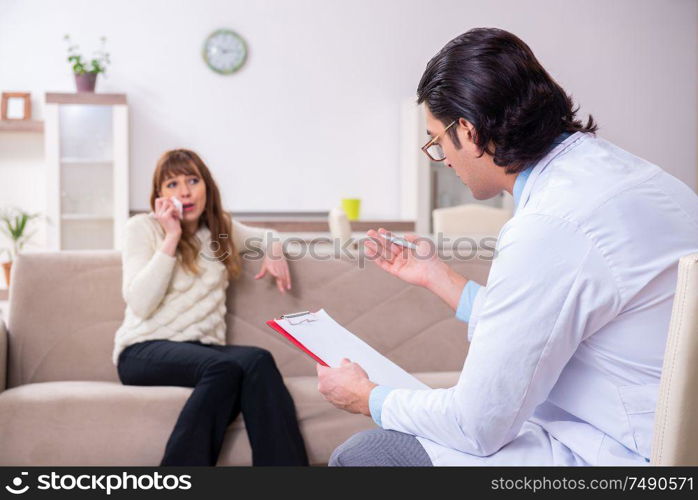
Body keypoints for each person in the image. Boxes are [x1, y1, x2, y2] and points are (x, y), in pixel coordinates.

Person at [316, 27, 698, 466]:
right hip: (652, 435)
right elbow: (544, 323)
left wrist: (369, 398)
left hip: (623, 454)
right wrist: (438, 277)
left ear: (469, 132)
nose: (445, 159)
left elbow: (476, 425)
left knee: (367, 456)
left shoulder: (550, 224)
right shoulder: (646, 182)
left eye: (438, 142)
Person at [113, 149, 308, 466]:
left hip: (202, 351)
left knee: (258, 360)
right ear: (159, 195)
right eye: (172, 184)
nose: (185, 192)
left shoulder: (221, 230)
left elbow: (268, 236)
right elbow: (140, 302)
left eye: (192, 180)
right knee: (226, 368)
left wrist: (273, 247)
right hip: (142, 350)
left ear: (207, 186)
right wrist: (171, 237)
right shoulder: (141, 228)